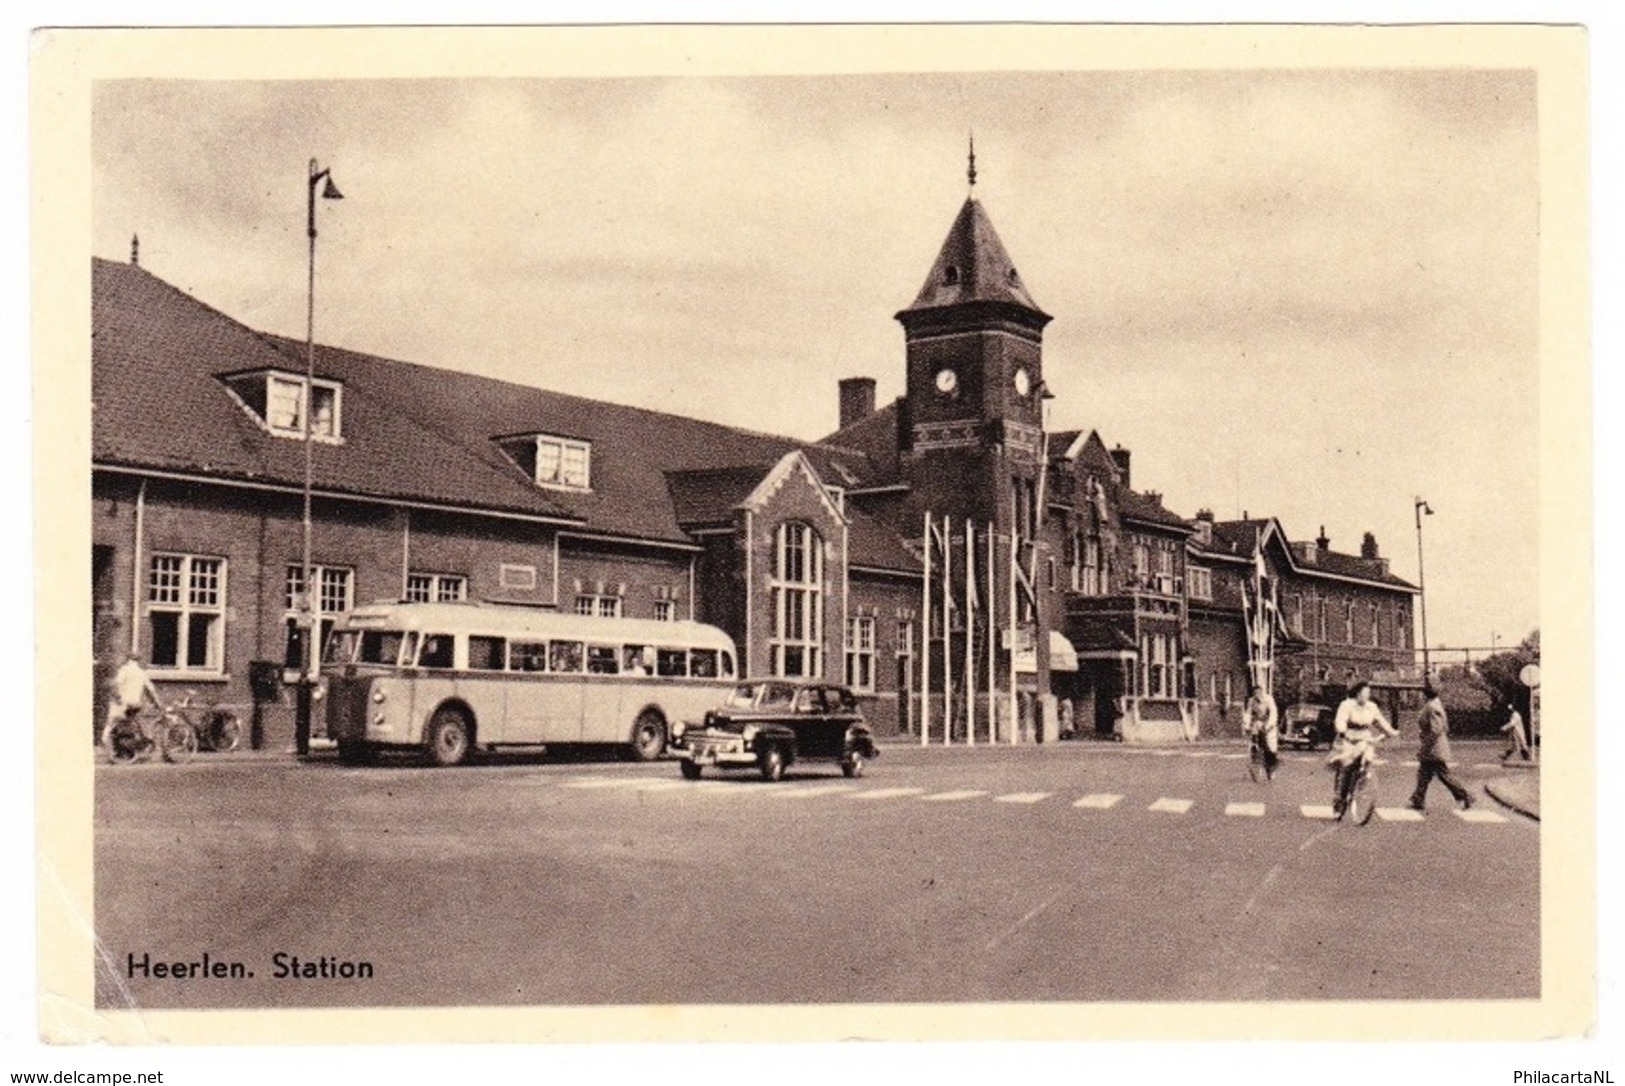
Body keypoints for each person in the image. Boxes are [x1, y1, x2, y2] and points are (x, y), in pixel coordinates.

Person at [1327, 679, 1399, 812]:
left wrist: (1391, 732)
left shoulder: (1371, 707)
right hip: (1349, 737)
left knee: (1367, 759)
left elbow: (1380, 721)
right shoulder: (1347, 705)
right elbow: (1340, 720)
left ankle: (1362, 781)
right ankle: (1340, 800)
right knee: (1347, 767)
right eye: (1364, 693)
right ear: (1357, 693)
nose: (1367, 696)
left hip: (1365, 737)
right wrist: (1342, 731)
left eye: (1368, 693)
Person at [1407, 681, 1473, 812]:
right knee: (1423, 774)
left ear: (1426, 693)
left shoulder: (1432, 706)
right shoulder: (1435, 704)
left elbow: (1436, 730)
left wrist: (1425, 747)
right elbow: (1445, 727)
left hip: (1434, 748)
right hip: (1434, 747)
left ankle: (1466, 795)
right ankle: (1418, 799)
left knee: (1444, 775)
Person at [103, 652, 161, 741]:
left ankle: (105, 743)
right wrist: (158, 704)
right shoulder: (142, 673)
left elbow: (117, 684)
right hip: (135, 703)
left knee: (111, 724)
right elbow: (151, 690)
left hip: (123, 703)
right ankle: (137, 742)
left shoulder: (124, 670)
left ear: (128, 660)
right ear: (138, 661)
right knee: (133, 723)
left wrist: (117, 697)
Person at [1242, 683, 1279, 778]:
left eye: (1258, 692)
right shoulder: (1251, 701)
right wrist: (1246, 724)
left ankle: (1271, 768)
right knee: (1254, 743)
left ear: (1262, 692)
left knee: (1270, 747)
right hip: (1258, 724)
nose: (1257, 695)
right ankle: (1255, 762)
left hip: (1268, 726)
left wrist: (1269, 725)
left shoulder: (1269, 700)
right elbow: (1248, 713)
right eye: (1255, 693)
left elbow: (1273, 713)